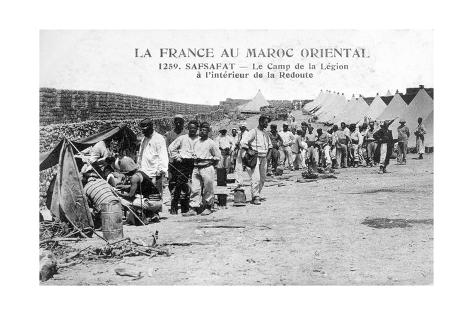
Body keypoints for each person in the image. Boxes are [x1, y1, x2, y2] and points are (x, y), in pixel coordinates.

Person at [187, 122, 221, 216]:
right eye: (201, 130)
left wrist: (210, 162)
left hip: (207, 167)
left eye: (205, 130)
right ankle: (193, 208)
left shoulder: (211, 143)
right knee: (195, 188)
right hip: (196, 167)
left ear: (208, 131)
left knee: (208, 188)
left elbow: (217, 156)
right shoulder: (196, 142)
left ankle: (208, 207)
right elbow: (192, 153)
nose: (202, 132)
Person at [114, 156, 162, 223]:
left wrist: (118, 193)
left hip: (151, 203)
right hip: (158, 202)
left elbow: (131, 195)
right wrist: (124, 186)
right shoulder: (140, 173)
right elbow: (136, 186)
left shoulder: (134, 178)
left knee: (124, 200)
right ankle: (152, 215)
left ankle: (145, 215)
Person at [167, 120, 199, 215]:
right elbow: (171, 148)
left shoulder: (200, 139)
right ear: (188, 128)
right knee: (179, 184)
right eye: (190, 128)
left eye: (194, 128)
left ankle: (187, 208)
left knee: (194, 184)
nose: (192, 130)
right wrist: (177, 157)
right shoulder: (182, 138)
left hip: (195, 163)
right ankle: (174, 207)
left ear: (197, 129)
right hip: (183, 163)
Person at [241, 115, 272, 205]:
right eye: (265, 122)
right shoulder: (253, 132)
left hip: (264, 157)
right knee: (256, 178)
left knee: (263, 178)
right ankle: (255, 196)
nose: (267, 124)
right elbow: (243, 142)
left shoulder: (266, 133)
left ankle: (257, 194)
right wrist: (249, 150)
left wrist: (268, 157)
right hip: (255, 157)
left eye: (267, 122)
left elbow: (270, 146)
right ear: (260, 122)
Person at [137, 119, 169, 199]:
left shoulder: (159, 139)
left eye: (145, 130)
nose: (143, 132)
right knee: (146, 198)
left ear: (151, 128)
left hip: (154, 174)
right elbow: (141, 155)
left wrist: (159, 174)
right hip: (144, 173)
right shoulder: (144, 139)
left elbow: (163, 157)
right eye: (142, 130)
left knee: (155, 198)